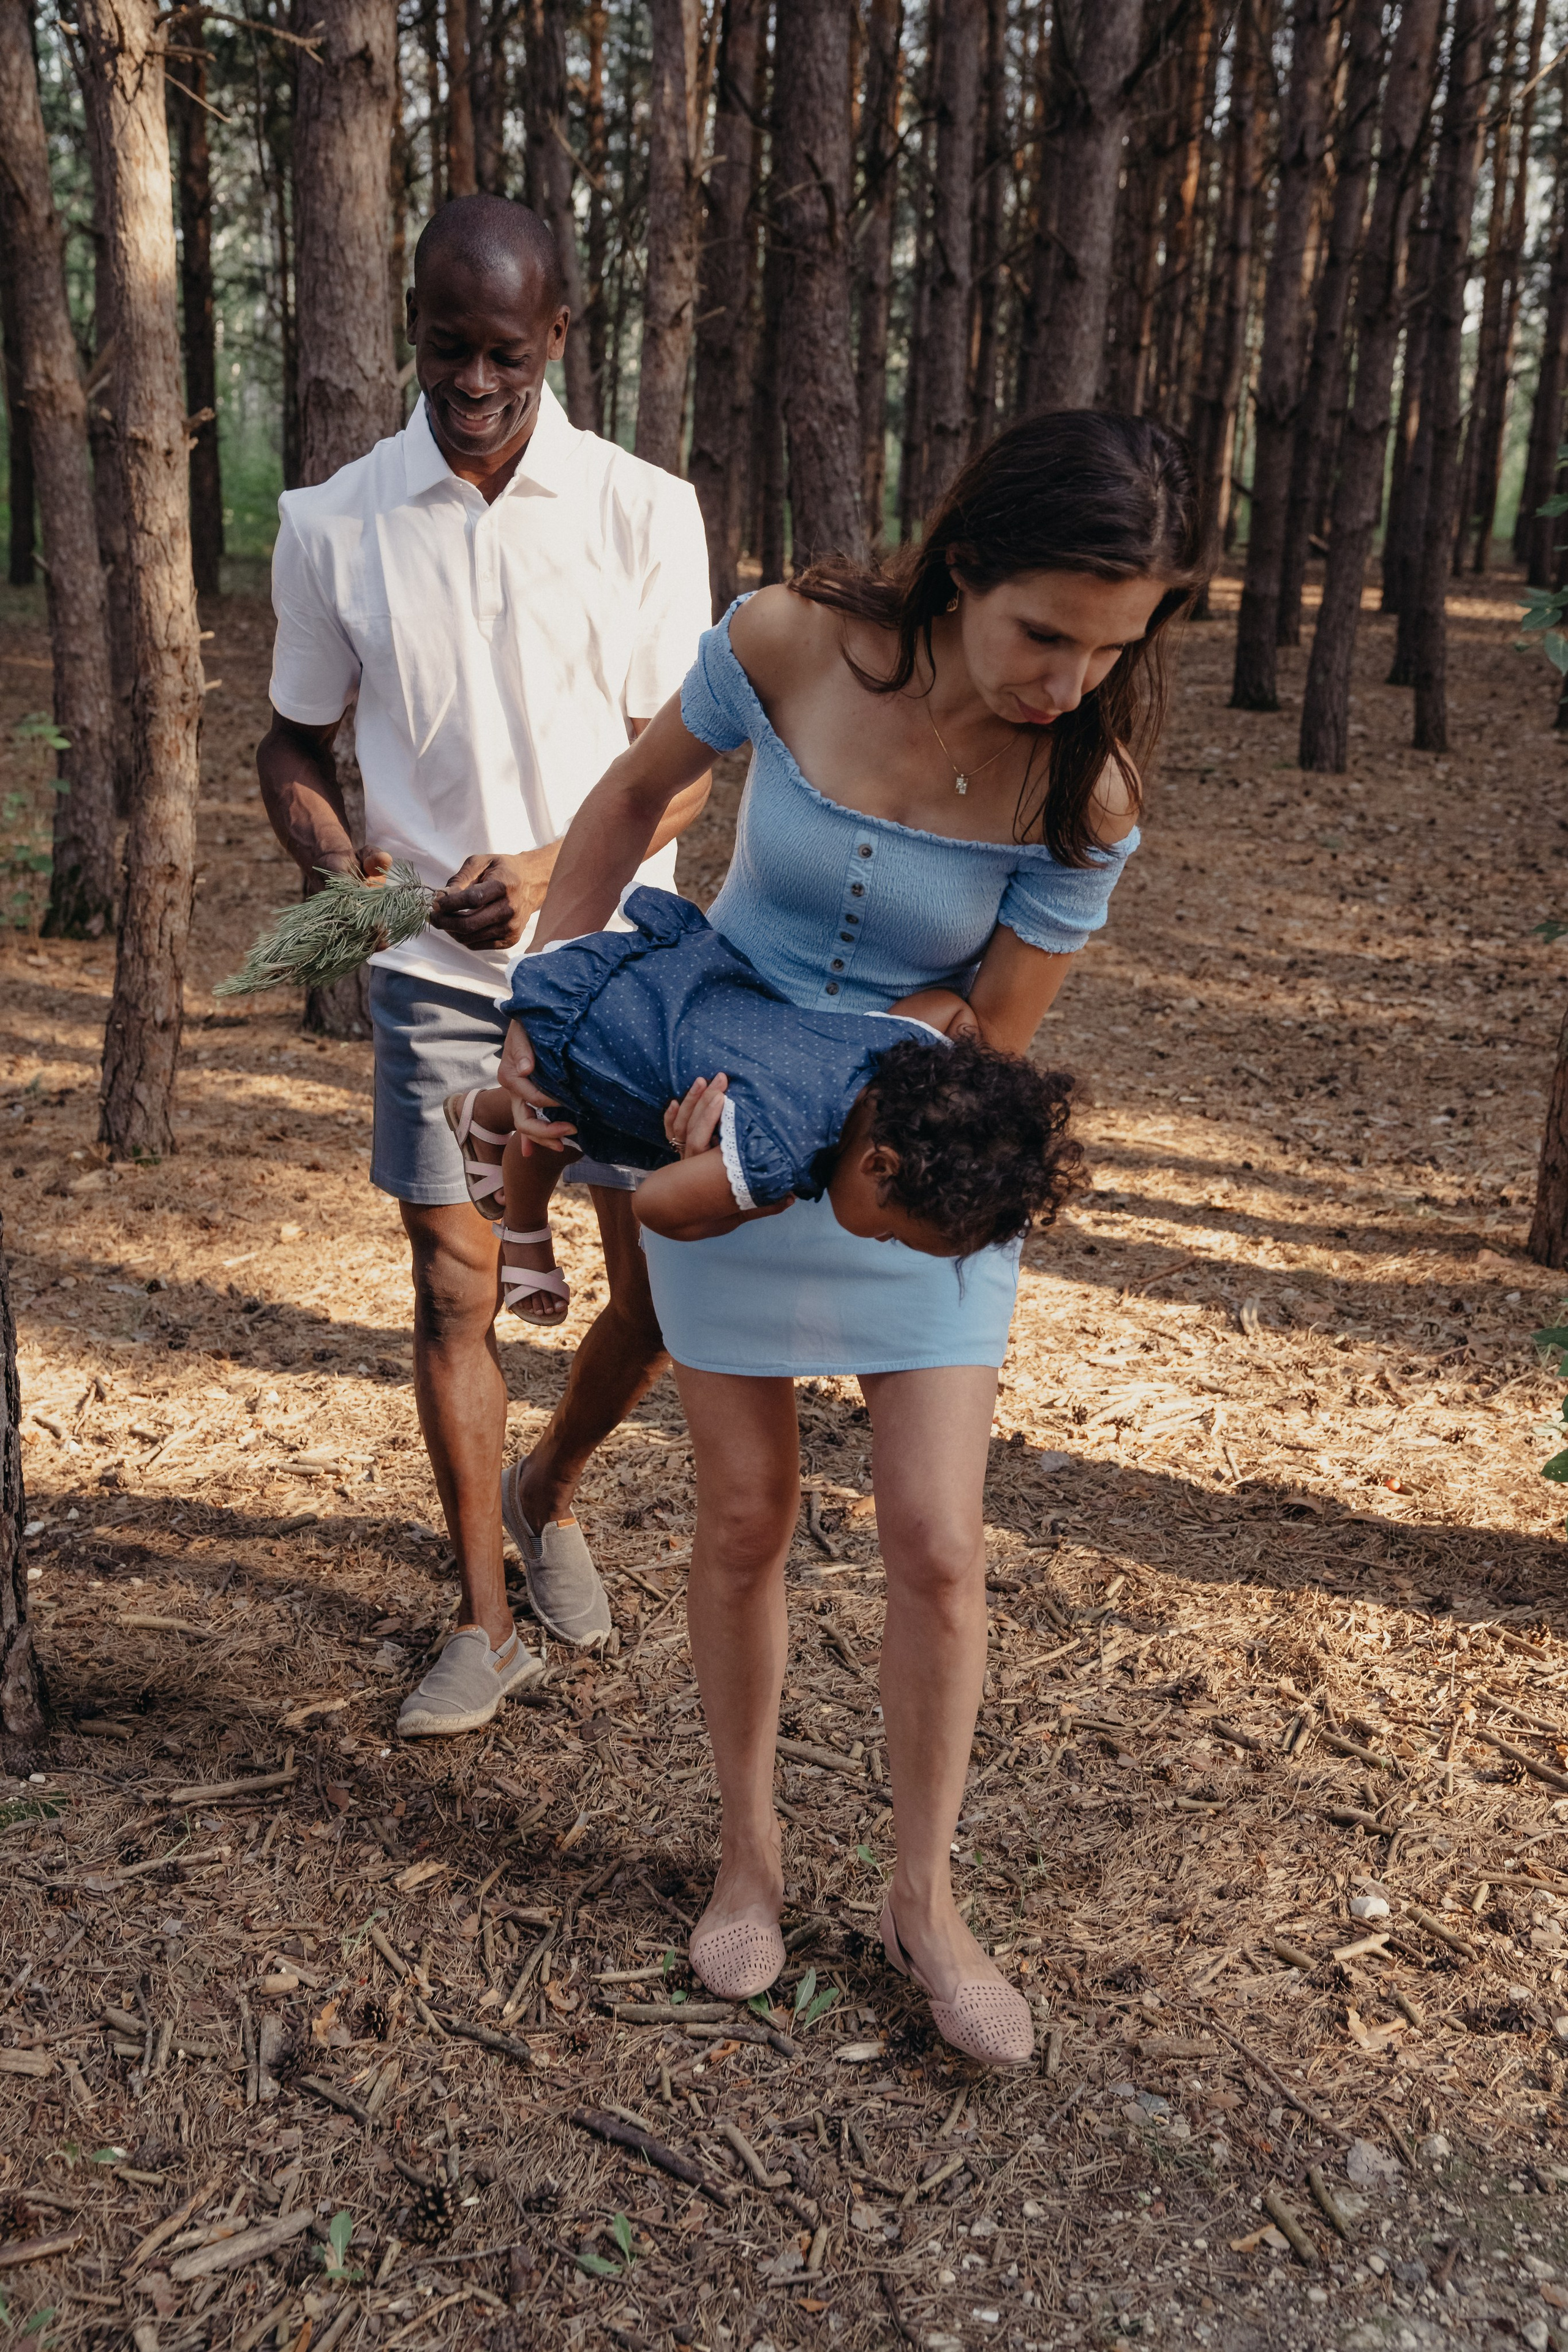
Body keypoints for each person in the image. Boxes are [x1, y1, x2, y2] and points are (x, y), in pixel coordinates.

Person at [505, 410, 1203, 2065]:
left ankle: (924, 1897)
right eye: (1045, 633)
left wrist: (809, 1104)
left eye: (1111, 648)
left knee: (937, 1546)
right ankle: (749, 1860)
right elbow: (624, 805)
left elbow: (986, 1033)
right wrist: (554, 1007)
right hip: (699, 1105)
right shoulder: (788, 642)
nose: (1067, 679)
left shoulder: (1083, 793)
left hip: (904, 1161)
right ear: (962, 568)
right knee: (747, 1514)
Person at [256, 194, 713, 1738]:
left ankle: (549, 1484)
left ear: (560, 335)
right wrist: (353, 875)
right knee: (454, 1293)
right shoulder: (334, 520)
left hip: (628, 970)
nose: (470, 379)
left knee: (653, 1298)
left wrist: (545, 871)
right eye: (444, 346)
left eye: (501, 351)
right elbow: (292, 741)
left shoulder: (648, 511)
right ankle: (481, 1614)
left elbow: (697, 761)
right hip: (439, 987)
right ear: (411, 329)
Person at [441, 885, 1083, 1294]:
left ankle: (482, 1113)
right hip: (598, 1038)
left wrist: (969, 1056)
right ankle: (521, 1216)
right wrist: (750, 1205)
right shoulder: (776, 1159)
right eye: (893, 1232)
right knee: (560, 1114)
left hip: (657, 972)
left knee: (562, 1110)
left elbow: (942, 1007)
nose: (884, 1240)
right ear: (878, 1165)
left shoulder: (895, 1052)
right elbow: (656, 1205)